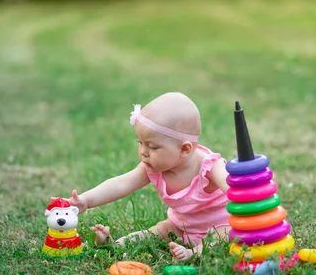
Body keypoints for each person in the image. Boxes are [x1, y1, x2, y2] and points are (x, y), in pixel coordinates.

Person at [51, 92, 231, 261]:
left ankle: (194, 252)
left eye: (152, 147)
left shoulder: (210, 167)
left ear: (184, 149)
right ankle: (116, 245)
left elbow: (233, 189)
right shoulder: (153, 167)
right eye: (140, 143)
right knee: (157, 230)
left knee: (226, 233)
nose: (143, 152)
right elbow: (122, 183)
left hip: (220, 225)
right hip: (180, 226)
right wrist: (86, 200)